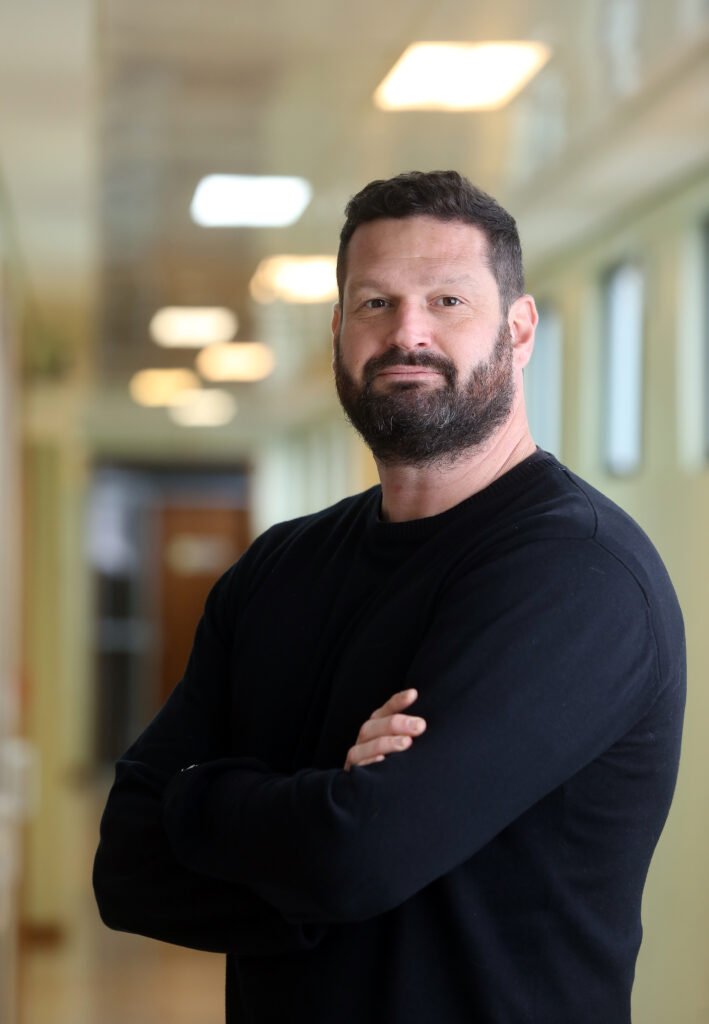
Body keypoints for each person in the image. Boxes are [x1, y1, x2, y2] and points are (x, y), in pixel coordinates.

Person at [93, 170, 686, 1024]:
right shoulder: (278, 567)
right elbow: (126, 866)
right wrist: (323, 810)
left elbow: (358, 858)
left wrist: (197, 795)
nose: (408, 332)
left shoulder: (579, 576)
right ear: (338, 332)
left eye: (447, 300)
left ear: (519, 330)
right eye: (375, 303)